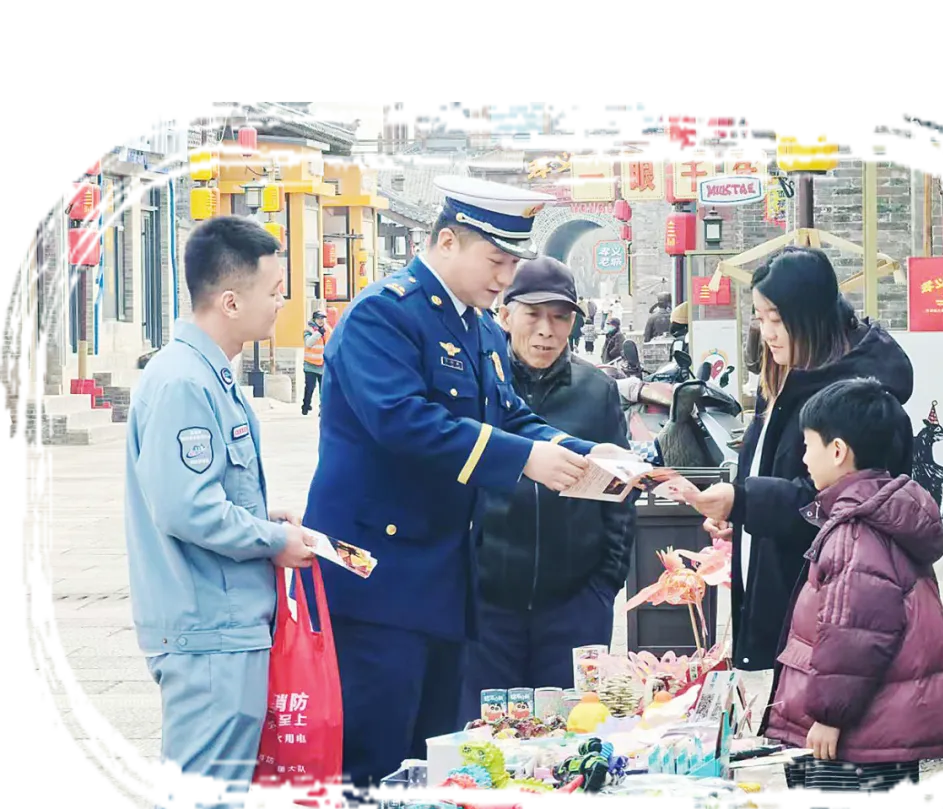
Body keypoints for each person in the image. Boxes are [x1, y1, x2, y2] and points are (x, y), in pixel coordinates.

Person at [297, 176, 621, 809]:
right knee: (374, 761)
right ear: (447, 241)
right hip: (377, 579)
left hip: (445, 581)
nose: (505, 276)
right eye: (495, 260)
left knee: (438, 765)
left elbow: (510, 416)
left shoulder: (479, 330)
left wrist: (585, 452)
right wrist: (524, 460)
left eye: (512, 262)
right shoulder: (383, 315)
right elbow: (402, 420)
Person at [677, 246, 914, 730]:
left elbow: (840, 502)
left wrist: (745, 501)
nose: (766, 333)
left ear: (808, 317)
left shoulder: (858, 400)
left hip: (825, 610)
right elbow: (777, 474)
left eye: (776, 319)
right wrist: (741, 516)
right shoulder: (790, 378)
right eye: (760, 317)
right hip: (778, 591)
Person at [125, 216, 318, 809]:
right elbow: (187, 508)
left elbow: (206, 491)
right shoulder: (185, 382)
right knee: (201, 794)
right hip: (208, 628)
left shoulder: (206, 374)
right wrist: (271, 541)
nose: (282, 304)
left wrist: (263, 518)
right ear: (231, 301)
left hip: (222, 624)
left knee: (213, 793)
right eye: (274, 291)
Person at [762, 377, 943, 805]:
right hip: (878, 731)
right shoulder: (880, 514)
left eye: (808, 444)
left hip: (855, 739)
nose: (803, 457)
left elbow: (855, 635)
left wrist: (829, 716)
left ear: (837, 451)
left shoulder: (855, 531)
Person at [460, 257, 637, 725]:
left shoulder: (596, 390)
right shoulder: (478, 386)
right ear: (505, 314)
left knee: (571, 734)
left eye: (559, 317)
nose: (546, 330)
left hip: (574, 605)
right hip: (488, 605)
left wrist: (603, 586)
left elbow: (620, 493)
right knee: (489, 738)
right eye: (533, 314)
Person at [301, 310, 331, 415]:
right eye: (319, 318)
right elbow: (308, 343)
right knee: (310, 387)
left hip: (323, 365)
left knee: (323, 389)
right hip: (310, 364)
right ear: (314, 319)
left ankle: (323, 410)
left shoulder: (327, 330)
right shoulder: (308, 330)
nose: (321, 320)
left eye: (322, 318)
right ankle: (306, 405)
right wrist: (318, 333)